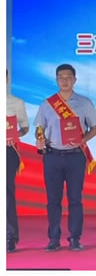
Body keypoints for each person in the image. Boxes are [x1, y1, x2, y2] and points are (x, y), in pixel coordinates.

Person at [34, 64, 96, 252]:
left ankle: (75, 238)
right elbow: (39, 128)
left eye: (68, 77)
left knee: (75, 199)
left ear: (75, 80)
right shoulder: (48, 104)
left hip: (75, 157)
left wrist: (82, 140)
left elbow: (94, 128)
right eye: (61, 77)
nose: (65, 80)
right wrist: (40, 139)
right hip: (52, 156)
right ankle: (54, 238)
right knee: (53, 200)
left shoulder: (84, 103)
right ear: (56, 80)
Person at [6, 69, 29, 253]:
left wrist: (14, 135)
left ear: (6, 79)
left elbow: (25, 127)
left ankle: (10, 237)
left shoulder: (16, 102)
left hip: (8, 151)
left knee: (6, 194)